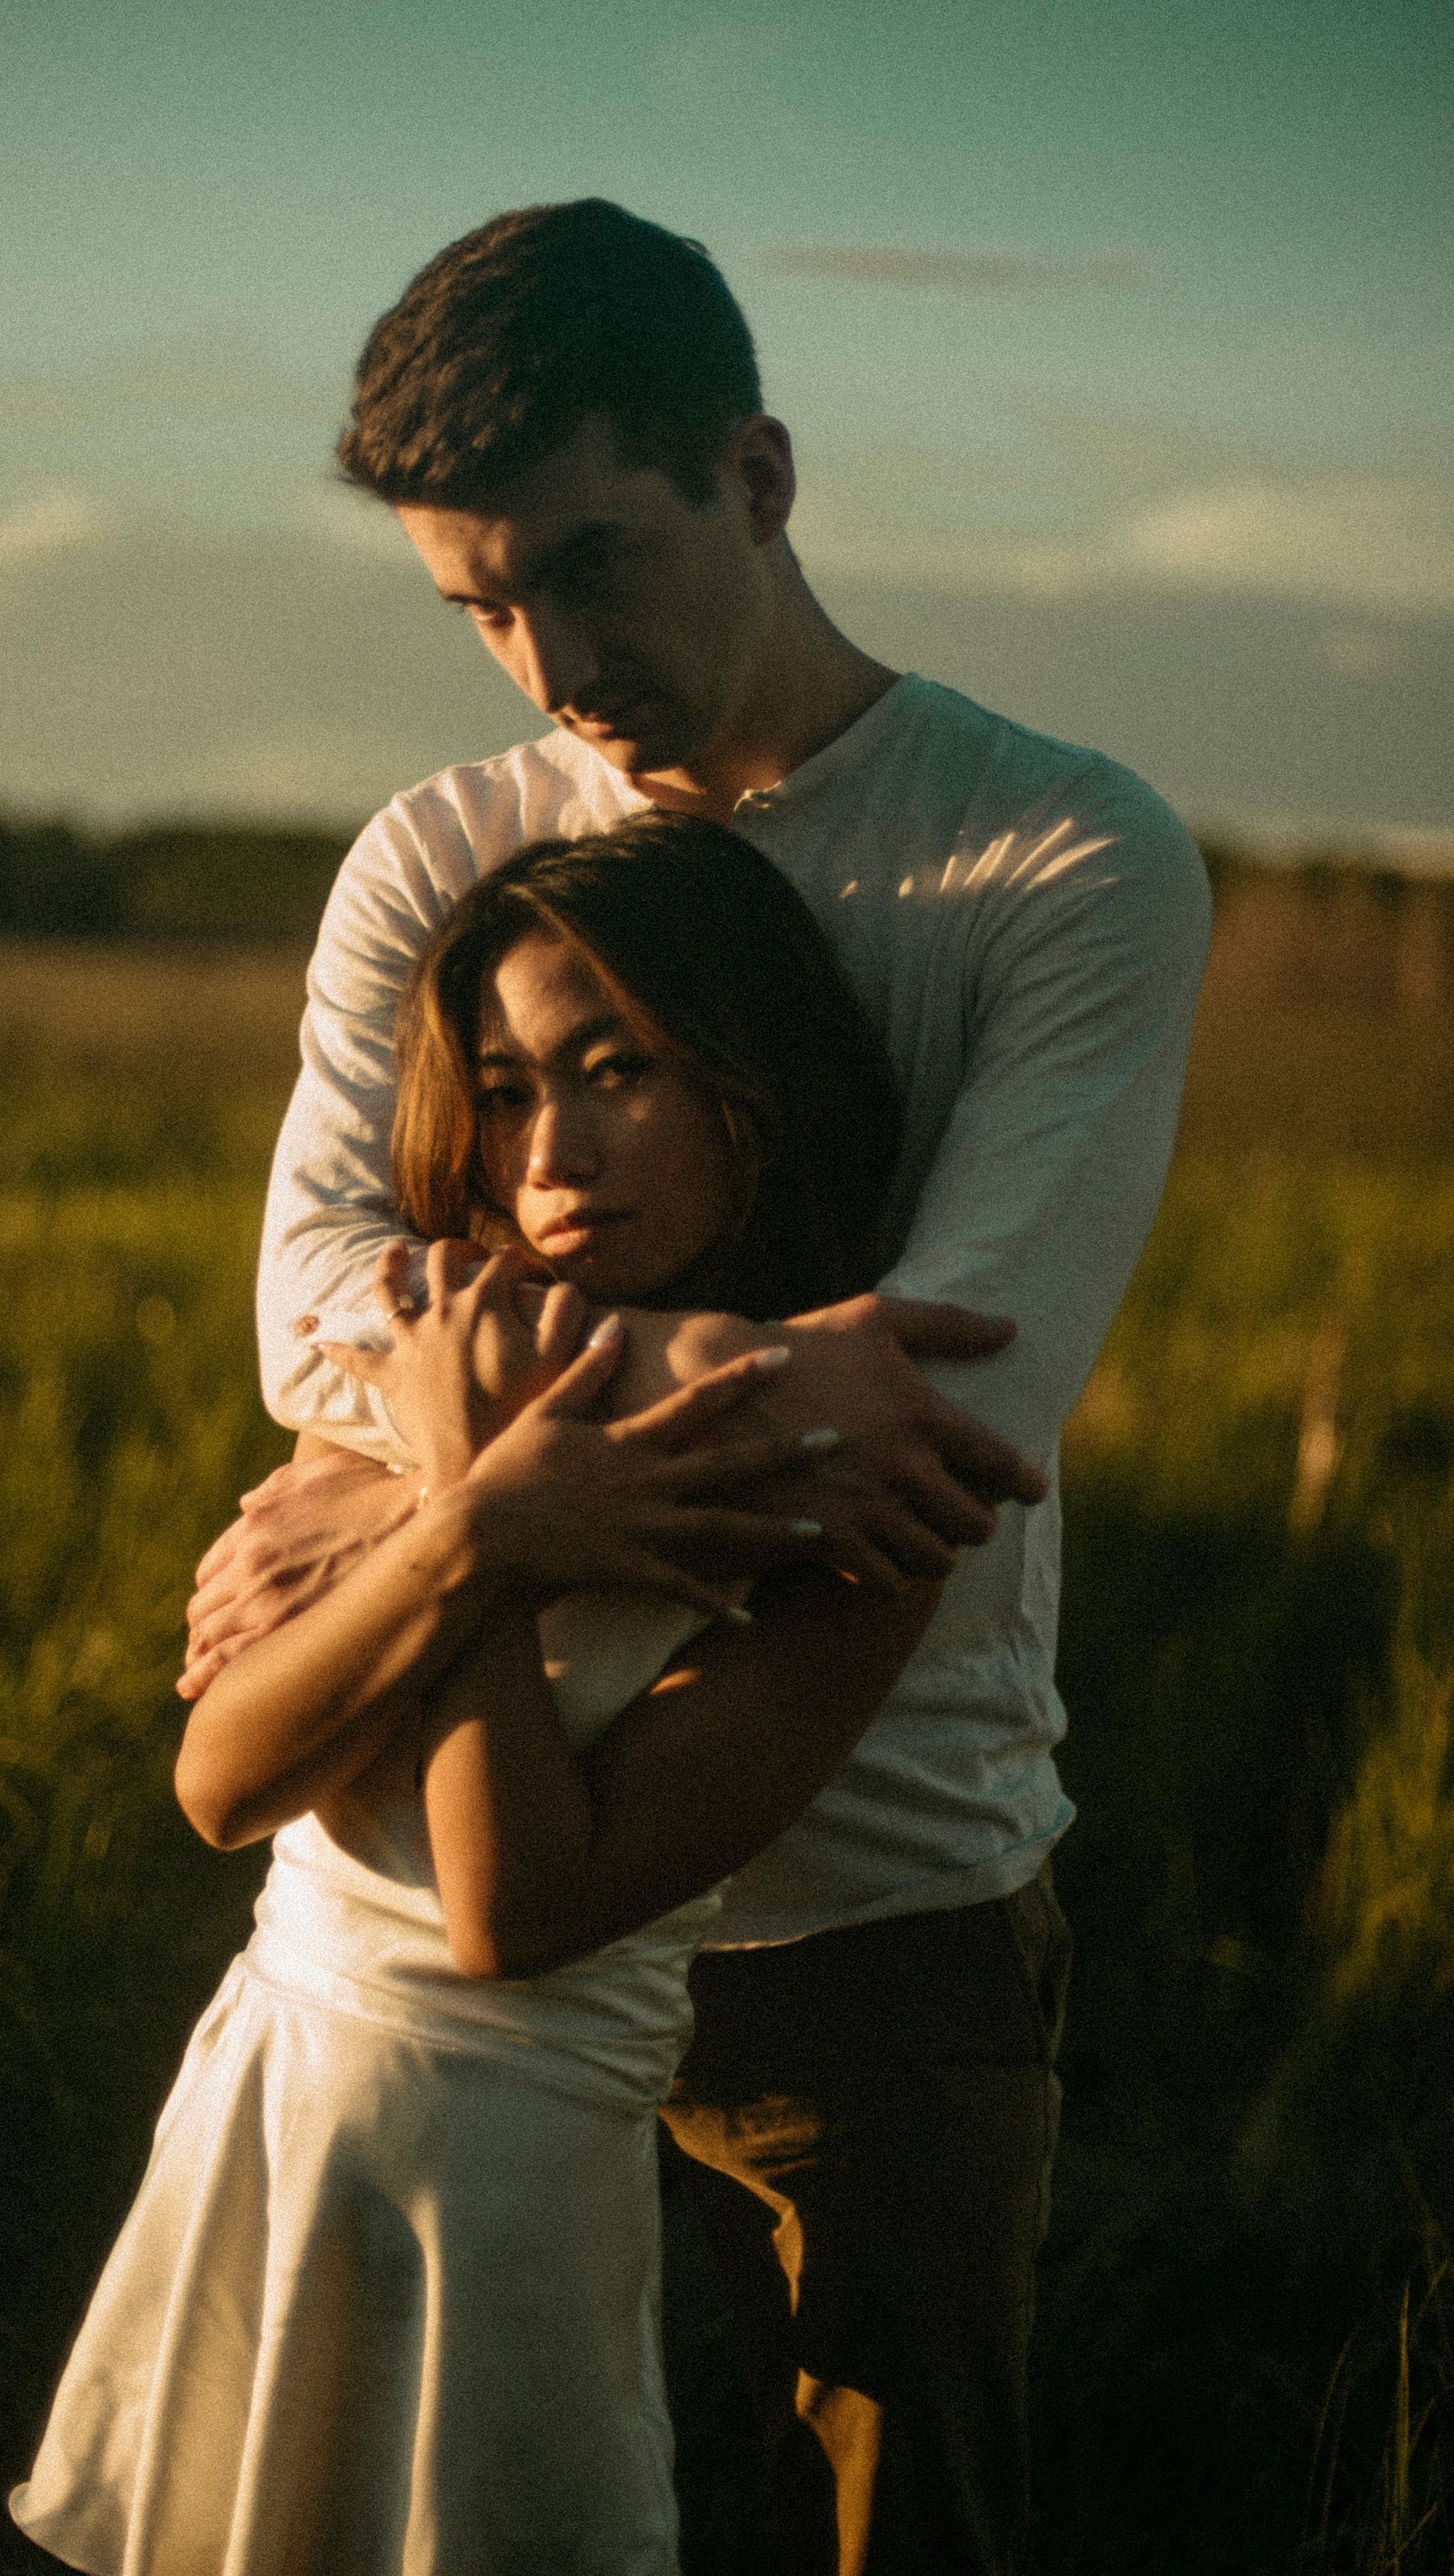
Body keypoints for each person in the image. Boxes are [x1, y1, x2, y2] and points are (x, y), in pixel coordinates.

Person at [183, 201, 1212, 2572]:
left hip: (868, 1921)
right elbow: (310, 1309)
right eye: (478, 605)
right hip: (433, 1915)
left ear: (758, 472)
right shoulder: (443, 851)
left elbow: (939, 1406)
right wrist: (487, 1475)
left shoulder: (1061, 859)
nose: (551, 661)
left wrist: (432, 1468)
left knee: (888, 2527)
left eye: (595, 564)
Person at [10, 817, 943, 2576]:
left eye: (616, 1071)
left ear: (751, 1080)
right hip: (271, 2106)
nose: (552, 1150)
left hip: (499, 2190)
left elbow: (518, 1911)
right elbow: (218, 1786)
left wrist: (486, 1522)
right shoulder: (406, 1403)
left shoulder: (841, 1519)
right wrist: (477, 1513)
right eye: (505, 1088)